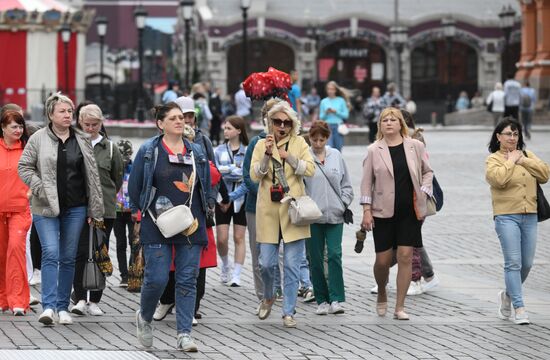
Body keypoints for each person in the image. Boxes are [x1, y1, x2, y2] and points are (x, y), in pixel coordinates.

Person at [129, 102, 211, 352]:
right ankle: (144, 316)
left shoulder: (196, 150)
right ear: (160, 123)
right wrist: (136, 214)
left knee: (188, 279)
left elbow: (206, 183)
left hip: (190, 222)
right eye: (173, 118)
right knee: (157, 278)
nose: (180, 121)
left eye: (182, 118)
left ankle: (184, 334)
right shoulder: (149, 150)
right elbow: (135, 186)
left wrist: (209, 207)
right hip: (157, 222)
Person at [18, 92, 104, 326]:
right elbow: (24, 166)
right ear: (50, 114)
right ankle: (47, 307)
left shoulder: (82, 139)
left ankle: (62, 306)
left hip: (76, 207)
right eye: (62, 111)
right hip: (45, 207)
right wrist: (39, 188)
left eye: (70, 111)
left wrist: (94, 210)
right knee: (51, 253)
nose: (68, 115)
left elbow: (93, 176)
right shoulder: (38, 139)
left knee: (67, 258)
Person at [360, 107, 433, 320]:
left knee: (405, 256)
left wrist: (425, 189)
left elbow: (428, 171)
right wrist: (366, 210)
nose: (389, 123)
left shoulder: (415, 146)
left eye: (393, 119)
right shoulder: (374, 150)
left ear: (401, 123)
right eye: (385, 120)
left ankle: (400, 306)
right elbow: (366, 184)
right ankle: (382, 290)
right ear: (380, 125)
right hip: (382, 212)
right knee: (382, 262)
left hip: (409, 211)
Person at [152, 96, 217, 325]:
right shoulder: (156, 146)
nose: (185, 120)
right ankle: (166, 300)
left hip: (196, 214)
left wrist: (210, 202)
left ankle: (190, 308)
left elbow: (212, 175)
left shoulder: (202, 143)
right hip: (168, 213)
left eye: (188, 116)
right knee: (168, 265)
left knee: (196, 265)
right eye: (180, 116)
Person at [251, 100, 315, 328]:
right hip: (268, 211)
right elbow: (255, 176)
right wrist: (268, 154)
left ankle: (288, 311)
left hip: (293, 210)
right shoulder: (260, 145)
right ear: (270, 123)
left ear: (292, 125)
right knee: (266, 263)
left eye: (286, 122)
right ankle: (269, 295)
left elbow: (310, 169)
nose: (281, 126)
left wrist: (289, 157)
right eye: (277, 121)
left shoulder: (299, 143)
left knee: (291, 264)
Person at [485, 118, 549, 325]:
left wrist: (522, 160)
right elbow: (499, 180)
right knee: (513, 262)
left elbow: (545, 174)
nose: (512, 138)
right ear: (498, 137)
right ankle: (519, 307)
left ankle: (508, 295)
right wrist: (511, 161)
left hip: (529, 214)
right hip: (506, 216)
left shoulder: (527, 156)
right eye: (508, 134)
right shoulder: (493, 159)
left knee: (527, 264)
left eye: (515, 134)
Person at [71, 104, 123, 317]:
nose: (91, 128)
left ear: (101, 123)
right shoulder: (74, 144)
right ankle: (80, 297)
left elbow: (116, 178)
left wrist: (103, 199)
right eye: (87, 124)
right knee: (81, 252)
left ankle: (96, 299)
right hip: (79, 207)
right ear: (80, 123)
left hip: (104, 209)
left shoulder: (110, 148)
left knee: (100, 252)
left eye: (95, 124)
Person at [304, 121, 353, 315]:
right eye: (314, 139)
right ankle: (321, 299)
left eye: (322, 139)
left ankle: (336, 298)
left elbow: (347, 184)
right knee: (314, 258)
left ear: (328, 137)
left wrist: (344, 202)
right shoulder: (304, 157)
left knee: (334, 255)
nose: (317, 143)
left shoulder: (336, 156)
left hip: (335, 214)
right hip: (312, 216)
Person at [243, 98, 285, 309]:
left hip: (285, 206)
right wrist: (264, 193)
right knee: (260, 252)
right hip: (257, 207)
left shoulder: (292, 143)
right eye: (273, 119)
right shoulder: (256, 143)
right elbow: (248, 176)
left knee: (284, 252)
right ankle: (263, 293)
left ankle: (280, 288)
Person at [0, 110, 31, 316]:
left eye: (20, 126)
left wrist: (31, 192)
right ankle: (3, 298)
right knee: (1, 254)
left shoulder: (27, 150)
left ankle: (18, 300)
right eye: (14, 126)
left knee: (15, 250)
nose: (18, 130)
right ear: (3, 128)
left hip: (20, 209)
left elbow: (38, 173)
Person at [214, 116, 249, 286]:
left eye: (229, 128)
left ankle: (237, 274)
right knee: (221, 238)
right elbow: (215, 173)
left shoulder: (248, 151)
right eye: (225, 128)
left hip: (241, 199)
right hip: (221, 199)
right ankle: (225, 264)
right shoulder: (218, 150)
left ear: (239, 130)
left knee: (239, 237)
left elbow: (246, 177)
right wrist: (234, 170)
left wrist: (227, 171)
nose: (225, 131)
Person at [113, 139, 138, 287]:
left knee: (133, 242)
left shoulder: (135, 168)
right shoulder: (113, 168)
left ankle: (132, 273)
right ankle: (123, 275)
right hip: (116, 211)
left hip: (131, 210)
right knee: (120, 243)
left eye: (126, 156)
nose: (124, 159)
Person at [319, 81, 350, 152]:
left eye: (332, 89)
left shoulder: (341, 101)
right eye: (329, 89)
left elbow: (346, 115)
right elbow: (321, 117)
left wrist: (336, 112)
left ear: (335, 90)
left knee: (338, 148)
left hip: (338, 127)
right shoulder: (323, 101)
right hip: (327, 127)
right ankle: (330, 162)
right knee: (329, 148)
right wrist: (326, 112)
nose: (330, 91)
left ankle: (337, 162)